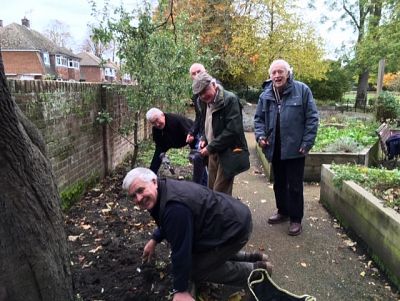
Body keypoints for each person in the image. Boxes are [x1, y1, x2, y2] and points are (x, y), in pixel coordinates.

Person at [122, 167, 271, 301]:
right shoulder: (163, 188)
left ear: (153, 181)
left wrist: (180, 290)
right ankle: (254, 258)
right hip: (228, 220)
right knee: (200, 255)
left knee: (195, 269)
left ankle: (257, 272)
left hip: (234, 230)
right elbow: (168, 223)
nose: (138, 199)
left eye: (140, 190)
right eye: (133, 196)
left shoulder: (174, 208)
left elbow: (181, 251)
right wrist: (155, 239)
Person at [254, 59, 319, 236]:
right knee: (279, 183)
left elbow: (312, 118)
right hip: (274, 147)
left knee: (295, 186)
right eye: (274, 73)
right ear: (270, 75)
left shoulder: (302, 90)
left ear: (288, 73)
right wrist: (260, 136)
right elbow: (258, 119)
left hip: (295, 148)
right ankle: (283, 211)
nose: (277, 75)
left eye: (280, 72)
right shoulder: (265, 94)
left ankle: (296, 219)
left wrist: (307, 142)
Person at [192, 72, 250, 195]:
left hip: (228, 152)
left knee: (220, 192)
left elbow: (233, 130)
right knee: (211, 188)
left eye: (205, 91)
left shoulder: (230, 100)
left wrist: (210, 147)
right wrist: (204, 138)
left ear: (214, 84)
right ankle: (216, 213)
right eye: (200, 94)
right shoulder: (203, 101)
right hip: (213, 151)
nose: (203, 96)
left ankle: (224, 214)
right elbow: (205, 121)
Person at [146, 108, 202, 185]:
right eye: (153, 123)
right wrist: (162, 156)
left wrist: (193, 150)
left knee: (198, 158)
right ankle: (150, 179)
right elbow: (159, 146)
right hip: (168, 142)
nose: (157, 124)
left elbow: (192, 133)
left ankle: (200, 183)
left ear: (162, 115)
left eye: (157, 120)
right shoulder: (156, 129)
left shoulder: (176, 120)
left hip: (189, 136)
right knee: (157, 157)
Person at [186, 63, 208, 186]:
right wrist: (192, 132)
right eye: (193, 74)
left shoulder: (214, 88)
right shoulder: (196, 94)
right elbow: (199, 116)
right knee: (199, 161)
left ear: (206, 71)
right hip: (202, 133)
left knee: (205, 162)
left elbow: (210, 118)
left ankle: (202, 190)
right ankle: (202, 189)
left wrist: (205, 137)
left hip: (212, 133)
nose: (196, 75)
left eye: (198, 71)